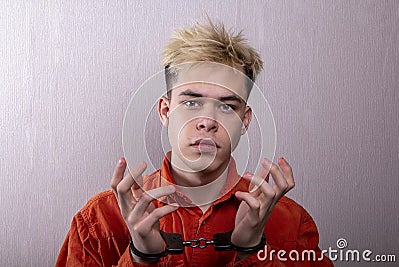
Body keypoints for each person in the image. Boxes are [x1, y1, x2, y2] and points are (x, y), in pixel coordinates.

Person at [56, 19, 333, 267]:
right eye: (191, 102)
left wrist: (253, 251)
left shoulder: (292, 223)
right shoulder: (98, 220)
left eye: (227, 106)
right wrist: (141, 257)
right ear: (165, 111)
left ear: (245, 121)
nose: (207, 121)